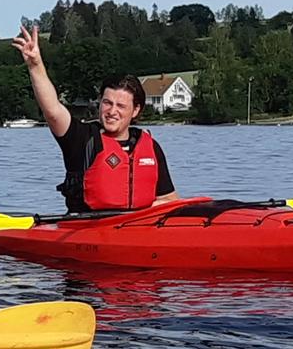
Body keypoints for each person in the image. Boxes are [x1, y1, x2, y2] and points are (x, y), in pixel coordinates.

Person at [13, 24, 180, 214]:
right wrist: (35, 65)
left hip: (137, 228)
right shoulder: (82, 139)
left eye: (121, 106)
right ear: (100, 102)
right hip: (86, 229)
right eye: (107, 103)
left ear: (136, 110)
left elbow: (168, 200)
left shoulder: (150, 147)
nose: (112, 111)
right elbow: (52, 110)